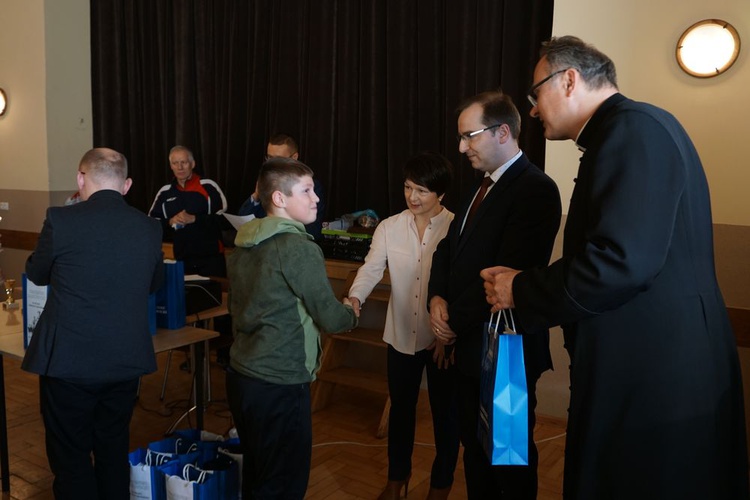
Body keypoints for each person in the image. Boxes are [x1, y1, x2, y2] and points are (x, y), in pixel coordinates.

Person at [481, 36, 749, 500]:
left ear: (568, 80)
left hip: (651, 372)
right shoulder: (628, 129)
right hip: (649, 360)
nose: (534, 110)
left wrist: (521, 290)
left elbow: (621, 261)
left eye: (535, 94)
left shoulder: (632, 130)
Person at [428, 91, 561, 499]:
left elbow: (503, 276)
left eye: (470, 136)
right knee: (474, 449)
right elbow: (447, 250)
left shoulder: (535, 189)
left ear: (503, 132)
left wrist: (449, 321)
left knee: (507, 457)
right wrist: (436, 298)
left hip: (506, 349)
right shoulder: (478, 186)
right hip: (468, 345)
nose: (461, 147)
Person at [21, 148, 164, 500]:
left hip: (69, 360)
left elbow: (36, 273)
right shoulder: (149, 227)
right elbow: (154, 283)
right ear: (126, 185)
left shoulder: (61, 219)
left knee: (70, 455)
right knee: (113, 448)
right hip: (124, 359)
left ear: (80, 179)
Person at [225, 157, 358, 499]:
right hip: (280, 381)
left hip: (243, 375)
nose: (316, 199)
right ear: (279, 199)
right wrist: (351, 311)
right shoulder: (298, 248)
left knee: (258, 472)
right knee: (284, 484)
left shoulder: (243, 242)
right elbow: (330, 317)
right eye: (307, 190)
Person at [345, 152, 460, 500]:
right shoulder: (389, 227)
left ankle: (441, 484)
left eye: (422, 190)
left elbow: (462, 285)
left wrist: (447, 335)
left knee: (445, 417)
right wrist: (355, 298)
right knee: (401, 411)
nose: (412, 197)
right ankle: (397, 479)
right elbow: (371, 268)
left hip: (443, 339)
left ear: (440, 193)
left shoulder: (457, 226)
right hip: (400, 336)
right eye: (408, 188)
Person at [148, 145, 229, 276]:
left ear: (192, 164)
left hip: (211, 257)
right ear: (171, 166)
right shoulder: (164, 192)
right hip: (182, 258)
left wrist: (195, 219)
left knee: (211, 296)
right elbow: (151, 224)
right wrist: (170, 222)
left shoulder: (208, 186)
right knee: (185, 296)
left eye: (184, 162)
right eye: (175, 163)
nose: (180, 167)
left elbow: (225, 221)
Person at [238, 133, 326, 239]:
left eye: (278, 159)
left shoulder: (311, 188)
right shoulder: (265, 183)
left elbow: (312, 231)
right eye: (269, 158)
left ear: (294, 157)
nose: (271, 164)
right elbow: (243, 223)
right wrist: (256, 195)